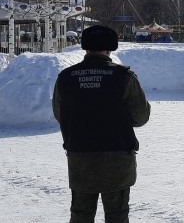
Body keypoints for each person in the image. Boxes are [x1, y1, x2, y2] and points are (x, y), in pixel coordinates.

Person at [52, 25, 151, 223]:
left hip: (80, 159)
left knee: (80, 215)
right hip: (117, 158)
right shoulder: (124, 77)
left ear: (86, 48)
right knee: (117, 215)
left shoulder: (65, 77)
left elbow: (60, 114)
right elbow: (141, 117)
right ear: (110, 49)